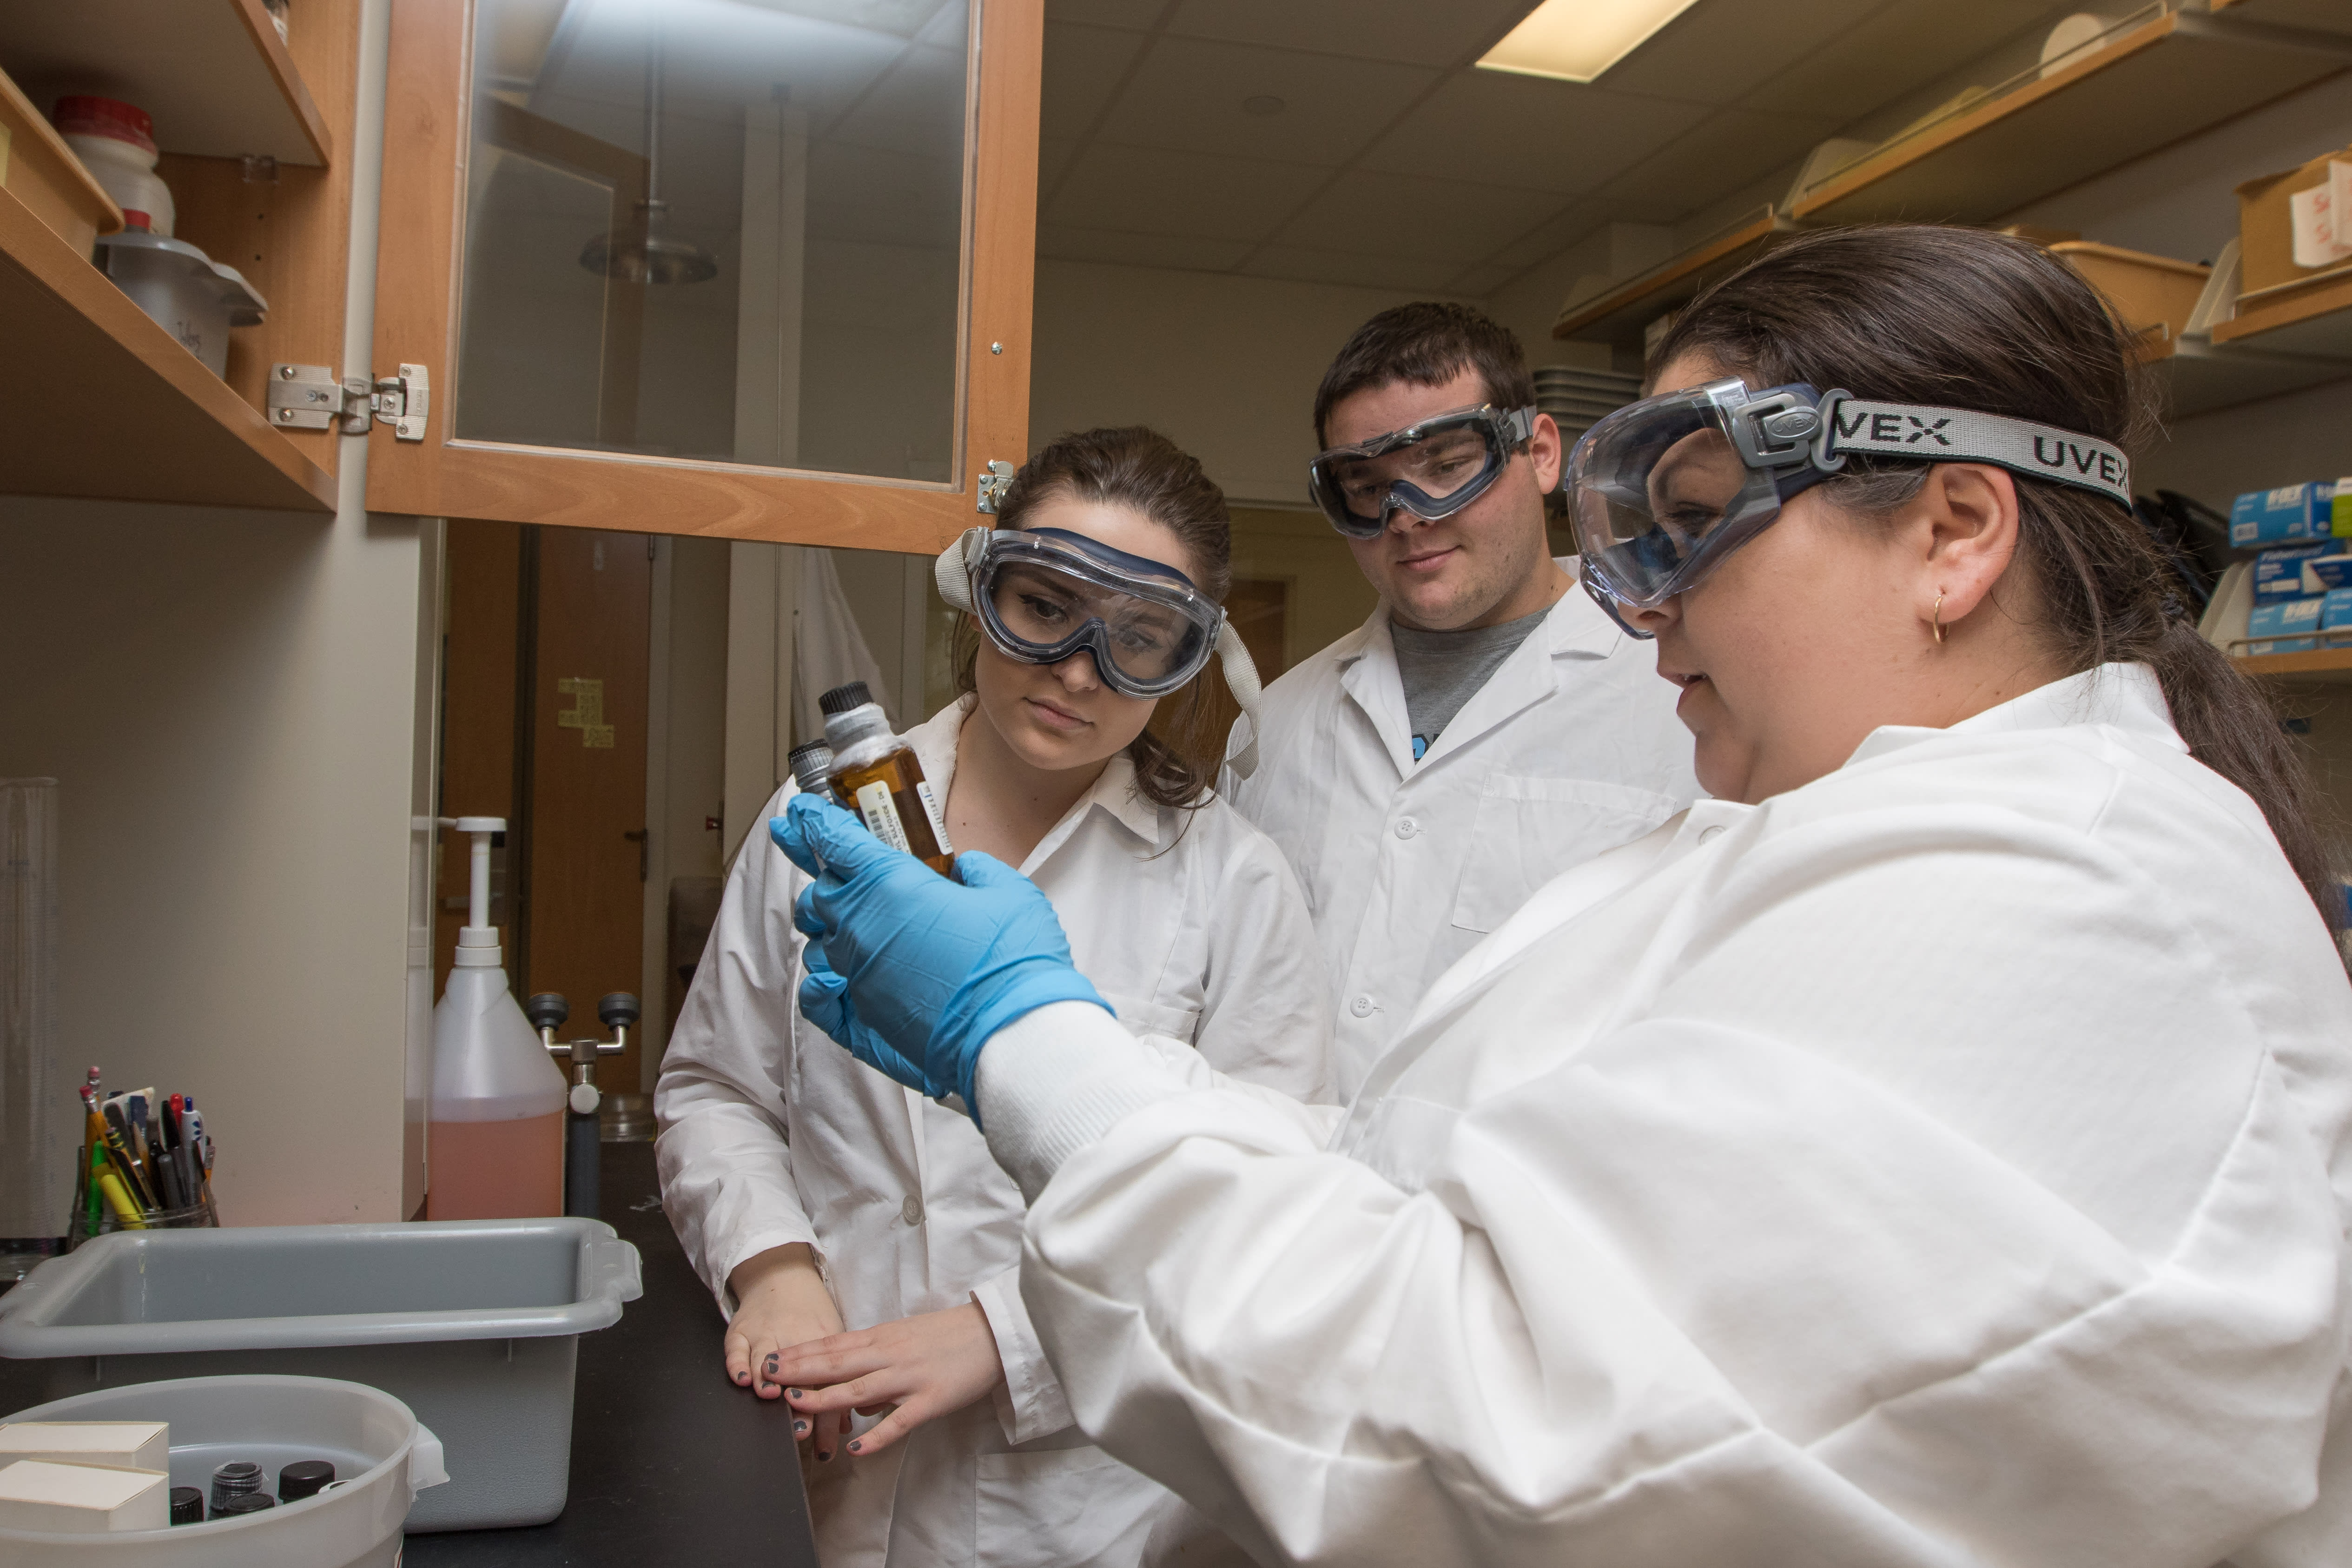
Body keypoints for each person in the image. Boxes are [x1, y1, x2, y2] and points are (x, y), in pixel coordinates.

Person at [773, 226, 2352, 1567]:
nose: (1635, 598)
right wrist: (1068, 1056)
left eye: (1693, 520)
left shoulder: (2069, 904)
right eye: (1634, 532)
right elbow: (1402, 1163)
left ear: (1951, 534)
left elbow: (1494, 1421)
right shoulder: (1797, 829)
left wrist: (1025, 1036)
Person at [655, 426, 1333, 1566]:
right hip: (822, 1455)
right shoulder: (819, 825)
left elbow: (1270, 1213)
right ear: (979, 592)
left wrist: (1009, 1338)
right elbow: (714, 1086)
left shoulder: (1235, 883)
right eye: (1043, 604)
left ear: (1190, 658)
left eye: (1139, 638)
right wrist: (773, 1269)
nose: (1077, 668)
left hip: (1083, 1504)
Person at [1228, 303, 1697, 1097]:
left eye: (1447, 466)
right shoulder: (1273, 725)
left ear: (1542, 453)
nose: (1407, 517)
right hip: (1301, 1196)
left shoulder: (1678, 692)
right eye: (1367, 487)